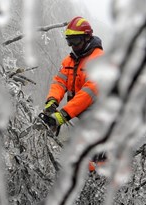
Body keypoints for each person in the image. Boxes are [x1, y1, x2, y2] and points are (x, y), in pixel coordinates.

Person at [42, 16, 106, 171]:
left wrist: (63, 115)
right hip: (82, 113)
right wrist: (52, 102)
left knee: (97, 154)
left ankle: (100, 183)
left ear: (87, 37)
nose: (72, 46)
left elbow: (88, 94)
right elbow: (59, 82)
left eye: (75, 41)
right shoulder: (69, 61)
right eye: (69, 41)